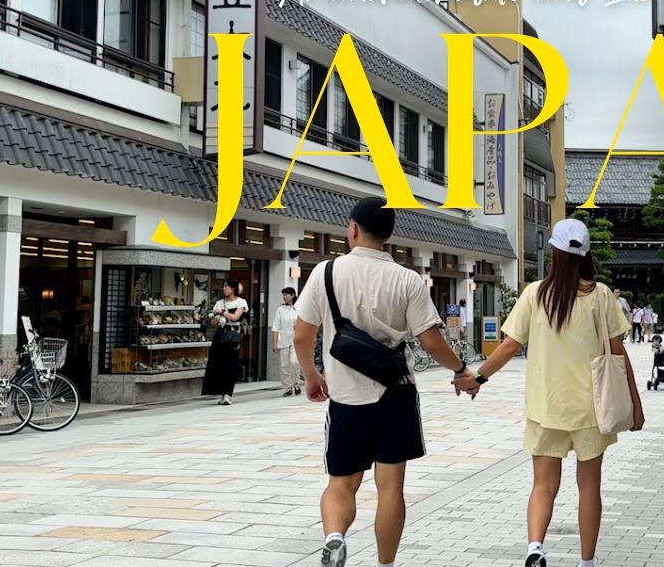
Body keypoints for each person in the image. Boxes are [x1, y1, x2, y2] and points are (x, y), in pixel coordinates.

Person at [292, 197, 478, 567]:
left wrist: (312, 376)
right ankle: (386, 564)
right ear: (389, 236)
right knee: (391, 488)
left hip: (345, 396)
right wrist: (461, 372)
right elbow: (431, 341)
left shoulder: (326, 272)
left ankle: (334, 536)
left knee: (341, 483)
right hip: (396, 394)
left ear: (353, 228)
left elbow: (301, 336)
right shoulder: (408, 279)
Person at [454, 218, 644, 567]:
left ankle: (536, 548)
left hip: (546, 406)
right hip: (592, 409)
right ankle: (586, 562)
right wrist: (635, 403)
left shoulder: (535, 293)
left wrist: (476, 379)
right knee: (589, 488)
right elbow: (619, 353)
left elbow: (510, 346)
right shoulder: (601, 295)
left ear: (554, 252)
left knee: (543, 484)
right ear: (586, 255)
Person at [202, 278, 247, 405]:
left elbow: (235, 317)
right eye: (223, 286)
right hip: (221, 334)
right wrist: (215, 317)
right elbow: (213, 323)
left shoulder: (241, 302)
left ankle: (228, 393)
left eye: (226, 286)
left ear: (233, 288)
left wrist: (222, 312)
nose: (224, 289)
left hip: (233, 334)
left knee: (230, 364)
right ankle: (221, 393)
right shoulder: (219, 303)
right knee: (217, 363)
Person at [271, 286, 300, 397]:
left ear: (292, 295)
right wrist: (274, 343)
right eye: (283, 295)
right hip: (283, 340)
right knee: (284, 365)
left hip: (295, 340)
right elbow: (275, 327)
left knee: (294, 362)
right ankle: (288, 387)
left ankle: (296, 382)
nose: (284, 297)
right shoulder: (280, 310)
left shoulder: (298, 309)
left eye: (286, 294)